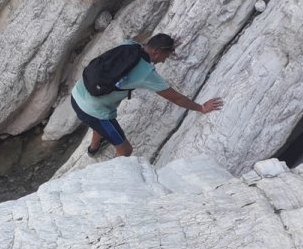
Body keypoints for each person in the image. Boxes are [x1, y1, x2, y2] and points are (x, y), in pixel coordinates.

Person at [71, 33, 224, 157]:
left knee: (99, 123)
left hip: (77, 94)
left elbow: (148, 44)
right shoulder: (146, 74)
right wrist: (201, 108)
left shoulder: (129, 45)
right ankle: (112, 182)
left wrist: (167, 45)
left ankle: (93, 149)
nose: (164, 61)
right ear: (157, 52)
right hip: (93, 110)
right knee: (126, 151)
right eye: (166, 56)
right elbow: (176, 98)